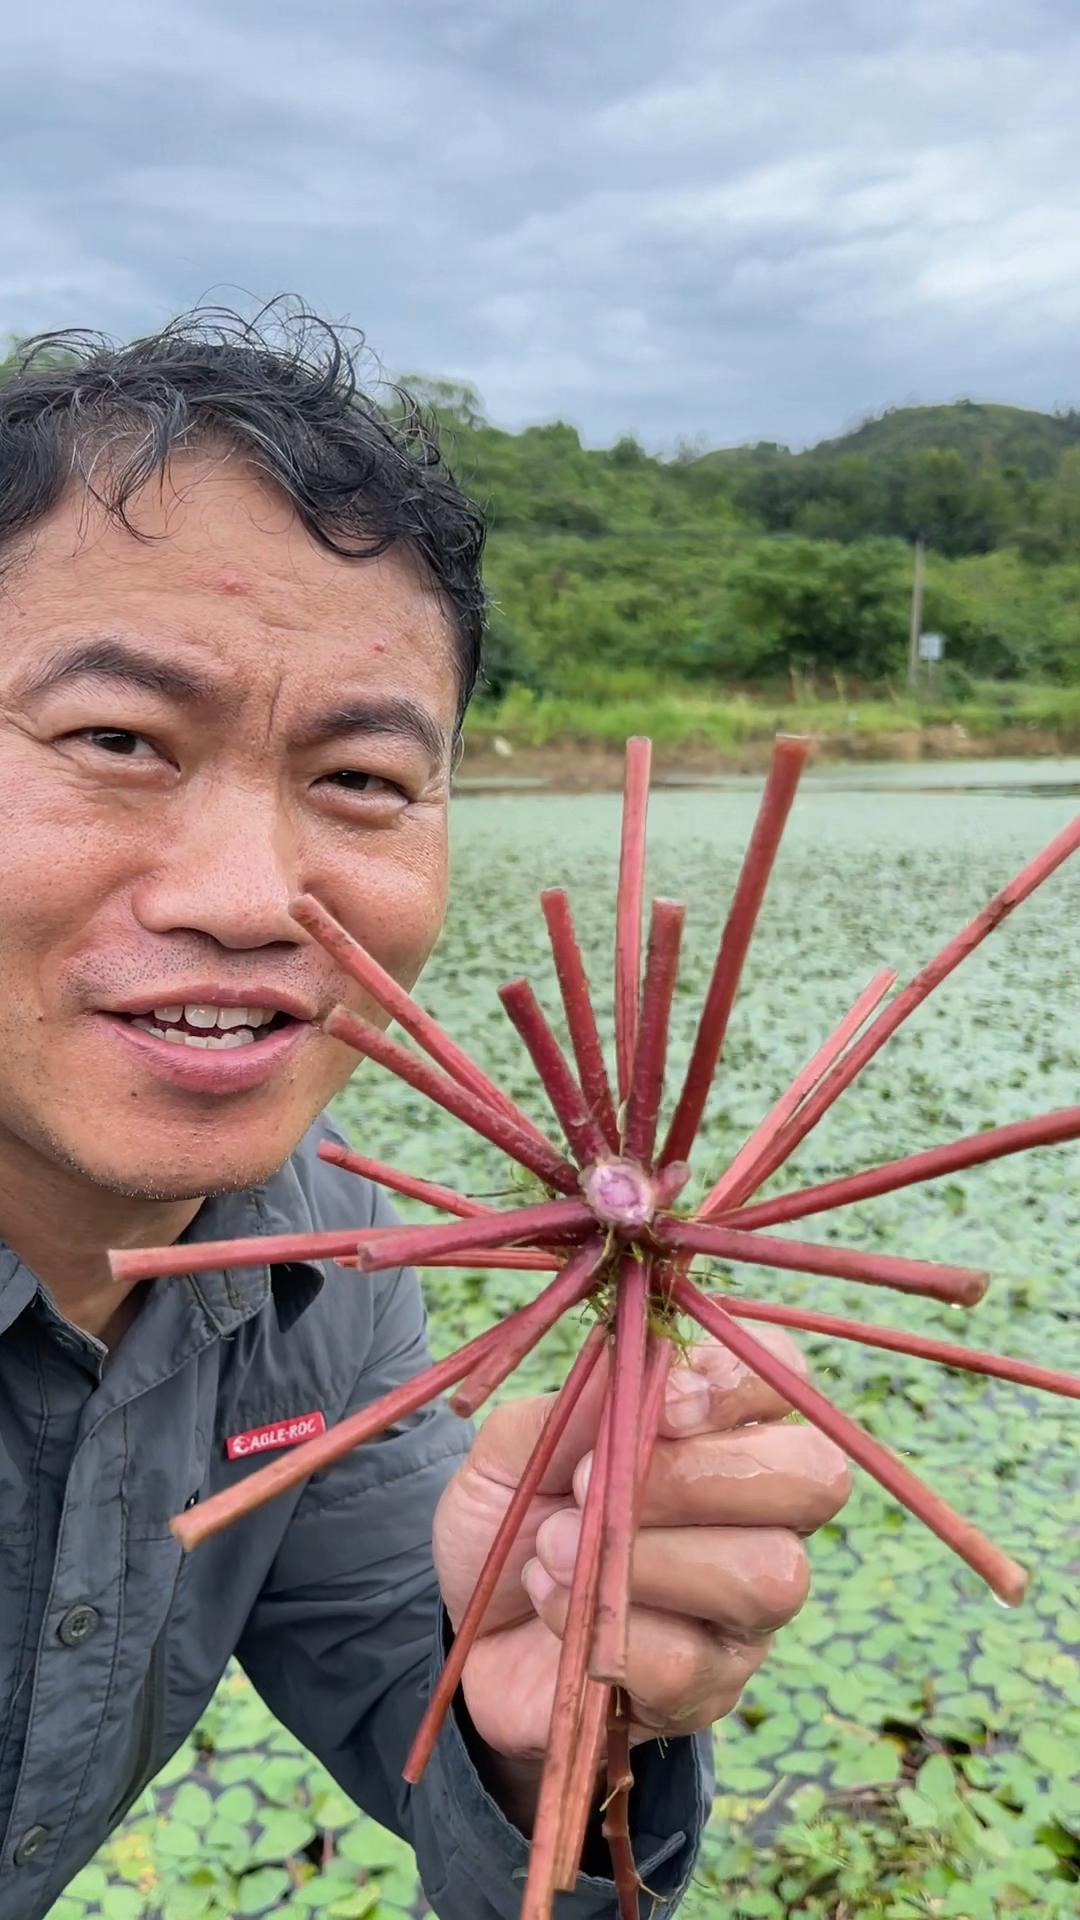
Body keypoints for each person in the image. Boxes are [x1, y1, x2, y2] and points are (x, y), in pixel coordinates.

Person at [0, 306, 850, 1920]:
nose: (253, 902)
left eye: (365, 780)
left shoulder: (327, 1273)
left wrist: (547, 1726)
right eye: (117, 740)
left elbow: (442, 1699)